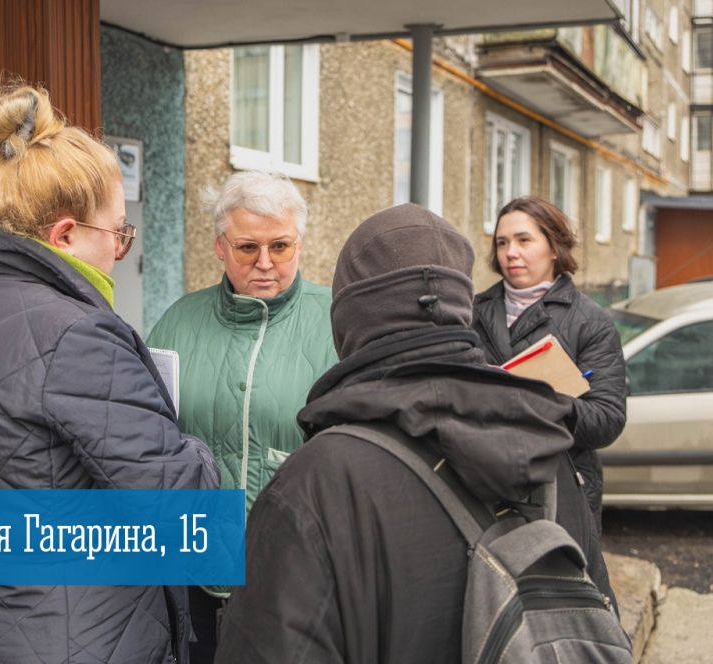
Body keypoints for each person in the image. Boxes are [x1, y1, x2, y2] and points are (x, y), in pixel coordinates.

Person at [0, 80, 219, 664]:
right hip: (80, 640)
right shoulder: (79, 335)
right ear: (66, 235)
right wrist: (192, 444)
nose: (120, 250)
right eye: (118, 233)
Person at [214, 203, 615, 664]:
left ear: (348, 318)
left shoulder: (317, 480)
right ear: (461, 307)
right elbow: (600, 621)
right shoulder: (547, 447)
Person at [146, 170, 339, 663]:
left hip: (296, 576)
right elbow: (147, 438)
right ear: (219, 246)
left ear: (299, 243)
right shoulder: (178, 322)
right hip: (193, 573)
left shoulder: (338, 322)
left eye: (281, 247)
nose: (265, 263)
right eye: (247, 247)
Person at [472, 196, 627, 533]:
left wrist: (542, 402)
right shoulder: (471, 313)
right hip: (482, 483)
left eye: (524, 240)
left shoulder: (591, 322)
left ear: (554, 248)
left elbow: (607, 419)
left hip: (561, 491)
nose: (510, 252)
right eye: (502, 242)